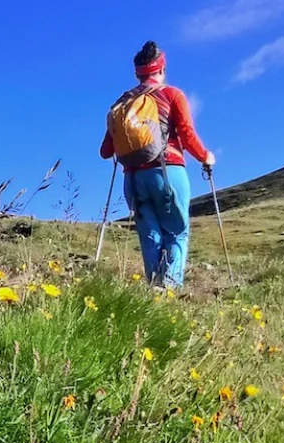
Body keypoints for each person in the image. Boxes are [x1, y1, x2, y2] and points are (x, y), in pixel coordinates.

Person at [99, 41, 214, 290]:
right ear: (161, 69)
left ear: (137, 73)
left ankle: (154, 291)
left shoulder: (123, 102)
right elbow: (186, 134)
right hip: (167, 171)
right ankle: (169, 290)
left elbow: (106, 151)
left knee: (149, 235)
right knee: (176, 232)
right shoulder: (172, 94)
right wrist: (205, 156)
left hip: (132, 179)